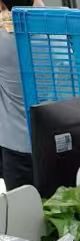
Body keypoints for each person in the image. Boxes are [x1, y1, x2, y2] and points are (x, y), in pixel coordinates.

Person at [0, 0, 34, 192]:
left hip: (17, 150)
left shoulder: (3, 41)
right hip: (53, 144)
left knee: (23, 208)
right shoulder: (55, 35)